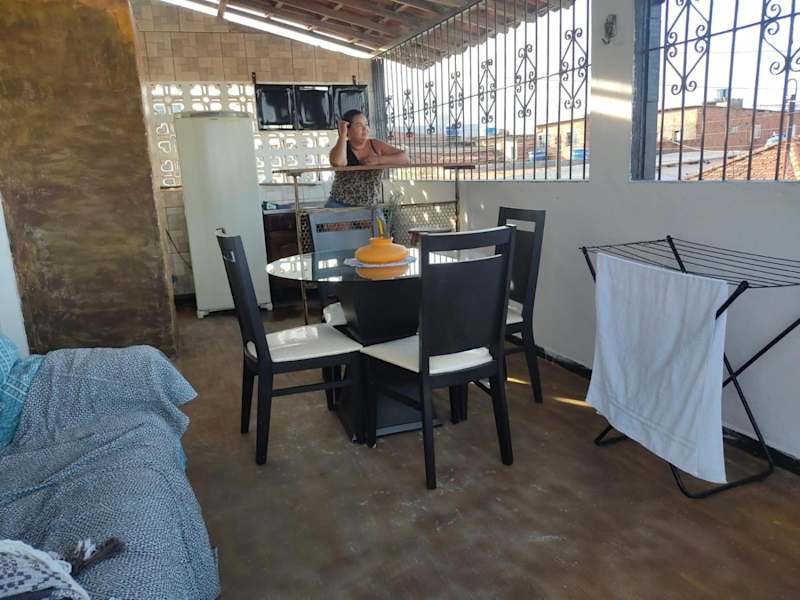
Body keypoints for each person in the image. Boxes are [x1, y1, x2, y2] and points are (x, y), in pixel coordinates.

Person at [327, 109, 409, 209]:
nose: (365, 128)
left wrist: (379, 160)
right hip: (339, 205)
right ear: (348, 129)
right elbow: (338, 163)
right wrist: (342, 135)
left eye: (366, 124)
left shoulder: (375, 145)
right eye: (359, 125)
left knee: (379, 220)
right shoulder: (342, 147)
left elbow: (405, 158)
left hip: (369, 206)